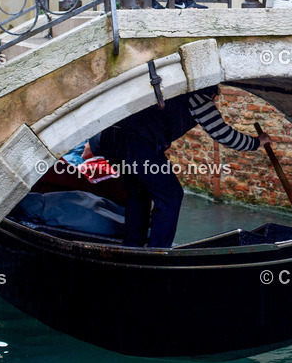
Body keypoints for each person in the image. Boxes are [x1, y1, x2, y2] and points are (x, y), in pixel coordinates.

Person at [92, 86, 271, 248]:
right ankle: (157, 252)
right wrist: (257, 141)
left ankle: (133, 245)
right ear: (213, 93)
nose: (214, 101)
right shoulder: (198, 96)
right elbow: (222, 134)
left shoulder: (175, 89)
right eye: (216, 98)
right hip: (136, 142)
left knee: (139, 192)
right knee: (171, 195)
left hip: (113, 138)